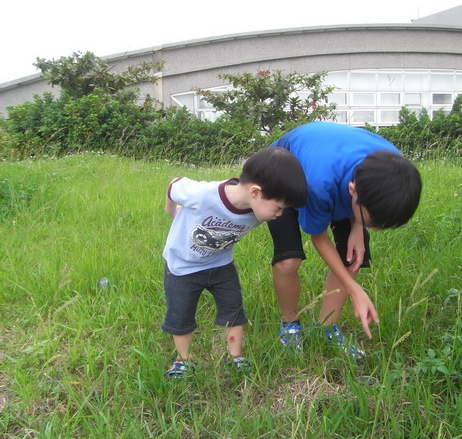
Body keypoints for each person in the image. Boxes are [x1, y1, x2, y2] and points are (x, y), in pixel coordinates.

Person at [267, 121, 422, 359]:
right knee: (289, 261)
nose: (377, 230)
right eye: (372, 223)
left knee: (353, 258)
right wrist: (355, 289)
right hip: (284, 170)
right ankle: (290, 326)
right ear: (353, 191)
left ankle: (326, 328)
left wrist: (359, 226)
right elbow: (319, 237)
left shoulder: (393, 168)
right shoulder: (319, 184)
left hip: (336, 172)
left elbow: (366, 200)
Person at [161, 147, 307, 378]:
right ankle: (183, 360)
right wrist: (173, 212)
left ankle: (235, 356)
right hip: (182, 267)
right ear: (256, 192)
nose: (279, 215)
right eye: (278, 208)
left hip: (220, 265)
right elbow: (174, 185)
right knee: (181, 315)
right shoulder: (202, 194)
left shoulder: (256, 210)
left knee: (233, 310)